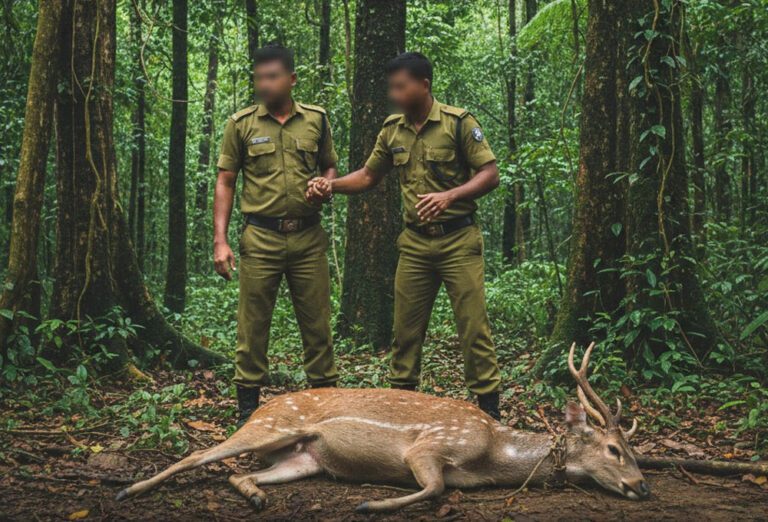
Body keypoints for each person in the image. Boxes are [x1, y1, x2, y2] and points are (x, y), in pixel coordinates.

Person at [307, 52, 503, 420]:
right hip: (414, 244)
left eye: (401, 87)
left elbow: (490, 174)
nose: (394, 94)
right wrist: (329, 185)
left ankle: (490, 413)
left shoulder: (458, 124)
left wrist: (450, 195)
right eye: (391, 87)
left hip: (459, 241)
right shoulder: (392, 130)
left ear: (424, 85)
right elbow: (368, 175)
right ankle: (401, 411)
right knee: (405, 333)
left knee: (473, 328)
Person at [214, 44, 339, 425]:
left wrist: (326, 183)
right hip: (261, 238)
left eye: (271, 77)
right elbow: (226, 180)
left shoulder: (316, 120)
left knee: (317, 325)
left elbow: (330, 165)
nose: (263, 85)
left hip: (307, 238)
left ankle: (326, 409)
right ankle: (248, 411)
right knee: (252, 328)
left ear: (291, 79)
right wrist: (220, 240)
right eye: (258, 78)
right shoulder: (241, 123)